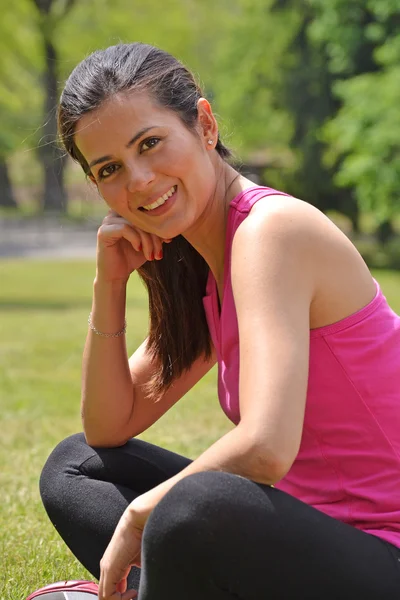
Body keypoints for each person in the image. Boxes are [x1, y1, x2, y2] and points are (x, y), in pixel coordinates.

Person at [39, 42, 400, 600]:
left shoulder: (270, 232)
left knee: (194, 506)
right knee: (76, 467)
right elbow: (108, 429)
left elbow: (265, 448)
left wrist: (141, 514)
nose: (137, 180)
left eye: (150, 143)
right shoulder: (203, 262)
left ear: (204, 125)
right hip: (304, 538)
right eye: (110, 168)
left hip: (385, 551)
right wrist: (108, 284)